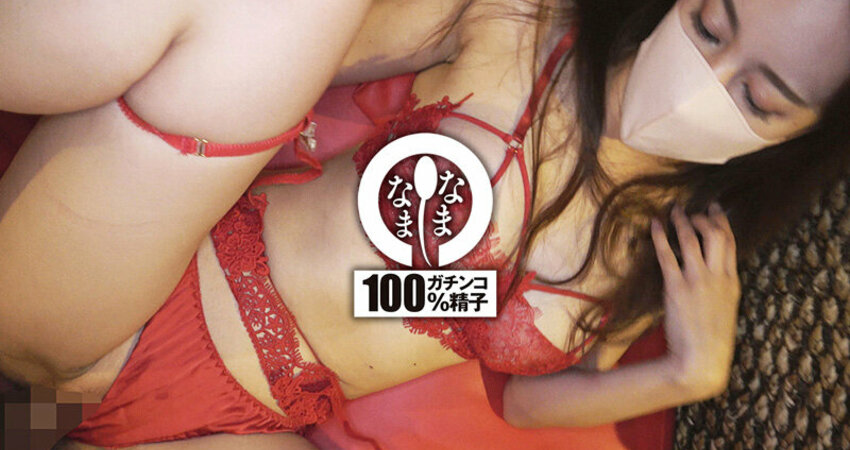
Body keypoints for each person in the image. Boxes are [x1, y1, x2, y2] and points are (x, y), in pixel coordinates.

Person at [3, 0, 850, 447]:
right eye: (709, 24)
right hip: (141, 295)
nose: (708, 77)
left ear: (800, 140)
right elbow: (273, 50)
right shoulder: (527, 24)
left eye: (759, 97)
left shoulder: (665, 257)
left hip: (240, 421)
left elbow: (525, 403)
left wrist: (687, 375)